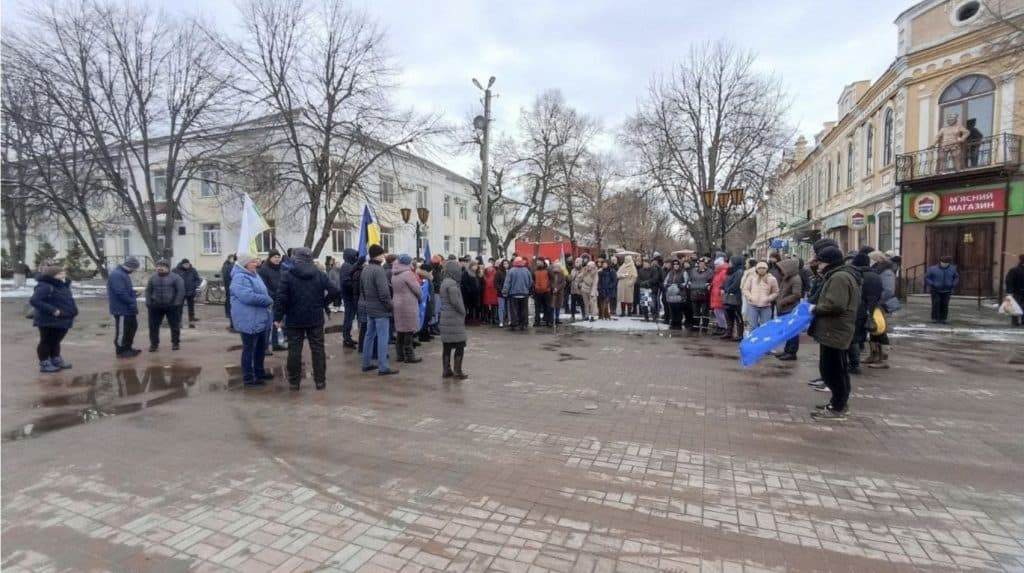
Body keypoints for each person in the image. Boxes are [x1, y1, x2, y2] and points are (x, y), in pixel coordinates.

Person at [808, 245, 861, 421]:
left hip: (835, 330)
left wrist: (814, 308)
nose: (818, 265)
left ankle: (838, 407)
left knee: (833, 370)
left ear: (829, 262)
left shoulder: (839, 277)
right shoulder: (840, 275)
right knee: (835, 369)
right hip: (835, 329)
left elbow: (835, 305)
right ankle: (837, 403)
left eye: (820, 262)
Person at [275, 247, 338, 390]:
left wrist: (278, 317)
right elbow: (335, 290)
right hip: (315, 317)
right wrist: (323, 303)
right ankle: (320, 381)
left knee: (294, 350)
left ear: (296, 259)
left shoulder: (287, 275)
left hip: (294, 318)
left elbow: (281, 298)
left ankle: (294, 382)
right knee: (318, 349)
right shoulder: (320, 274)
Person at [231, 254, 275, 386]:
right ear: (245, 264)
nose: (256, 264)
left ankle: (259, 372)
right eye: (253, 262)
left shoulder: (254, 275)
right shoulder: (240, 277)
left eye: (256, 262)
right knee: (249, 349)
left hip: (259, 318)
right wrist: (267, 300)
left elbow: (263, 291)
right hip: (248, 319)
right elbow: (247, 297)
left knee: (260, 349)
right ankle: (248, 377)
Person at [31, 262, 79, 373]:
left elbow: (68, 299)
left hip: (63, 319)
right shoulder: (45, 286)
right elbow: (35, 300)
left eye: (63, 272)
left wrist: (74, 311)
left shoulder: (62, 285)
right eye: (60, 273)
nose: (63, 275)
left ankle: (55, 359)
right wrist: (53, 310)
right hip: (48, 320)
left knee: (56, 341)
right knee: (46, 341)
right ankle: (44, 362)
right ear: (53, 276)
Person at [361, 244, 398, 376]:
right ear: (378, 255)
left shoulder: (365, 269)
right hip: (381, 310)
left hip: (370, 307)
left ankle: (366, 363)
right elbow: (384, 293)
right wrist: (390, 306)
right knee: (383, 337)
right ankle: (383, 367)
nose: (384, 256)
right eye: (382, 254)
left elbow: (362, 290)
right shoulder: (379, 270)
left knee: (369, 336)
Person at [145, 259, 185, 352]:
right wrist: (148, 302)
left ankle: (175, 343)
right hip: (155, 306)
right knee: (153, 326)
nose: (160, 268)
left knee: (175, 325)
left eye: (162, 266)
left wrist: (176, 303)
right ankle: (154, 344)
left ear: (168, 268)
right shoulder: (152, 278)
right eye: (158, 266)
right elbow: (148, 291)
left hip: (171, 306)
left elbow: (181, 291)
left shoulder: (176, 278)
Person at [866, 250, 897, 368]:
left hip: (881, 305)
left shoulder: (886, 272)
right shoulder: (876, 270)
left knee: (881, 330)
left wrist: (877, 301)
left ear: (877, 260)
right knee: (873, 329)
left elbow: (888, 291)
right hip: (874, 304)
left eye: (870, 259)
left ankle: (883, 360)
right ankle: (873, 355)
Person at [391, 254, 423, 364]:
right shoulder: (408, 273)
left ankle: (399, 354)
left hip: (397, 302)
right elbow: (417, 289)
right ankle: (409, 356)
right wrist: (420, 297)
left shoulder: (394, 273)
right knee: (409, 330)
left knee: (400, 330)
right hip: (408, 304)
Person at [440, 260, 469, 379]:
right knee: (460, 345)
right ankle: (458, 371)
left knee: (447, 346)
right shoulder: (452, 284)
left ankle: (446, 370)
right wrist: (463, 311)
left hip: (445, 318)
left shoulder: (444, 282)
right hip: (454, 319)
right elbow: (456, 302)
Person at [108, 257, 142, 357]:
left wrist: (133, 293)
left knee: (132, 327)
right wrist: (131, 301)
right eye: (135, 268)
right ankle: (121, 350)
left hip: (128, 308)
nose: (135, 270)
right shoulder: (117, 275)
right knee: (123, 330)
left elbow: (125, 290)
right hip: (121, 309)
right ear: (131, 266)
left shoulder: (123, 274)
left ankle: (128, 347)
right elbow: (120, 292)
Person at [774, 257, 804, 361]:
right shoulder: (787, 277)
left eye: (782, 268)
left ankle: (791, 352)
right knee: (787, 332)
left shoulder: (795, 279)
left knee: (792, 332)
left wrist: (782, 302)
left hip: (790, 309)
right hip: (784, 309)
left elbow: (796, 295)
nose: (781, 271)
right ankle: (787, 350)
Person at [258, 250, 287, 352]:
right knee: (268, 324)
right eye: (275, 257)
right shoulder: (264, 269)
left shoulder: (281, 268)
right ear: (270, 258)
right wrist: (273, 296)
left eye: (278, 257)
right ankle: (264, 347)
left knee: (278, 322)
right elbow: (263, 286)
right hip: (270, 300)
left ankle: (276, 344)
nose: (277, 259)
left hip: (280, 299)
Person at [743, 261, 779, 331]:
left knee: (766, 326)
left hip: (766, 306)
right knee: (752, 326)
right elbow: (745, 289)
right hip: (752, 305)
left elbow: (776, 292)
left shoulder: (772, 279)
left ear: (767, 269)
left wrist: (769, 298)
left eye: (763, 268)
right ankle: (753, 338)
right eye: (759, 268)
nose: (761, 270)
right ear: (756, 269)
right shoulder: (751, 278)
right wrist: (750, 297)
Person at [335, 248, 360, 348]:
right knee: (349, 318)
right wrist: (356, 286)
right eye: (355, 255)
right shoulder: (347, 266)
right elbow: (346, 282)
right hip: (349, 296)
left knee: (350, 318)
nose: (356, 257)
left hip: (350, 296)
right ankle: (346, 339)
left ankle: (348, 337)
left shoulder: (348, 265)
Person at [925, 255, 959, 324]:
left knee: (945, 304)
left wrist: (953, 284)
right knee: (936, 304)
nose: (945, 264)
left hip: (947, 290)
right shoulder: (932, 269)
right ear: (940, 262)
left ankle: (943, 318)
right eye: (943, 263)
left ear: (949, 263)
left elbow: (956, 277)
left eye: (946, 263)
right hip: (935, 290)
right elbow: (927, 277)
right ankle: (934, 318)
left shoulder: (952, 269)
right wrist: (932, 284)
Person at [502, 257, 533, 331]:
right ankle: (524, 324)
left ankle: (514, 324)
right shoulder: (526, 270)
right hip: (524, 293)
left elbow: (507, 283)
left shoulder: (511, 271)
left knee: (514, 310)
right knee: (524, 310)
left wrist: (505, 292)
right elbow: (530, 282)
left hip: (513, 294)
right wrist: (526, 288)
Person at [721, 256, 746, 341]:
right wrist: (723, 287)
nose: (729, 263)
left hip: (736, 297)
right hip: (728, 297)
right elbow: (725, 281)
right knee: (728, 315)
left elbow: (736, 284)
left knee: (737, 316)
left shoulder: (739, 272)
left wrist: (727, 289)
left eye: (731, 261)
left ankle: (739, 334)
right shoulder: (730, 271)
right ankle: (729, 332)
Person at [173, 259, 201, 326]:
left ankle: (191, 318)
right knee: (179, 307)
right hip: (180, 292)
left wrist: (195, 285)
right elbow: (172, 279)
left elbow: (197, 279)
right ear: (182, 264)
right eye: (185, 264)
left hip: (191, 291)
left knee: (191, 306)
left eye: (187, 264)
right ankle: (179, 320)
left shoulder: (193, 270)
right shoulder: (176, 270)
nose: (186, 265)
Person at [688, 259, 713, 332]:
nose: (701, 265)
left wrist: (705, 286)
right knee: (695, 311)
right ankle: (696, 326)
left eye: (703, 263)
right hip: (694, 294)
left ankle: (705, 326)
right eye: (700, 263)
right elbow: (690, 281)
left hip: (704, 294)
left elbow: (710, 282)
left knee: (705, 311)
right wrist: (691, 285)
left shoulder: (709, 271)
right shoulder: (693, 271)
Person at [664, 259, 688, 330]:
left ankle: (678, 323)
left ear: (679, 265)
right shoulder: (670, 273)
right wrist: (667, 286)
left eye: (677, 264)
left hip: (679, 294)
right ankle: (673, 322)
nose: (676, 266)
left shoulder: (683, 272)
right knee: (672, 309)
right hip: (671, 294)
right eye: (674, 264)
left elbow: (686, 282)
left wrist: (680, 285)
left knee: (678, 309)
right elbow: (665, 281)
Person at [709, 258, 729, 336]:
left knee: (720, 312)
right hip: (716, 294)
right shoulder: (718, 272)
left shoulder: (723, 272)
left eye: (716, 264)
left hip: (719, 294)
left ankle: (725, 327)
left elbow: (724, 283)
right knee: (717, 312)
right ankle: (721, 327)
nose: (715, 266)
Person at [532, 259, 552, 327]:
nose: (538, 264)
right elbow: (533, 280)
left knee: (547, 307)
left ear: (543, 263)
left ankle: (549, 321)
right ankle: (537, 321)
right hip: (537, 292)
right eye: (537, 263)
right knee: (537, 308)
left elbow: (552, 279)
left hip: (546, 291)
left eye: (539, 262)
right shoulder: (534, 271)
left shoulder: (548, 270)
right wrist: (534, 287)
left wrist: (549, 286)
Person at [1006, 254, 1024, 327]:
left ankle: (1016, 321)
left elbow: (1009, 281)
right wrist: (1010, 291)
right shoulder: (1014, 270)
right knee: (1015, 306)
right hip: (1017, 291)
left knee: (1015, 306)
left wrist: (1009, 291)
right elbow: (1009, 281)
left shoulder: (1014, 270)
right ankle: (1017, 321)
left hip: (1017, 291)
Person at [221, 254, 237, 331]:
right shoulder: (231, 267)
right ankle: (233, 326)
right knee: (233, 307)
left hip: (230, 289)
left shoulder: (230, 266)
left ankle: (232, 325)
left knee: (232, 307)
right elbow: (227, 278)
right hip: (232, 290)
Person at [550, 261, 567, 325]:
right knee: (552, 305)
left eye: (558, 266)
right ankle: (552, 318)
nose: (556, 268)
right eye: (555, 266)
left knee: (558, 306)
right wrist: (553, 288)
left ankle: (557, 318)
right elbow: (550, 282)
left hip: (559, 292)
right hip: (552, 292)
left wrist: (557, 288)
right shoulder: (551, 273)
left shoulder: (562, 273)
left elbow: (563, 282)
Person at [495, 259, 508, 327]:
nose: (505, 265)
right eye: (504, 264)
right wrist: (501, 290)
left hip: (508, 293)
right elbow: (496, 283)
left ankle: (506, 320)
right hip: (501, 293)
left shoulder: (510, 271)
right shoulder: (499, 272)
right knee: (501, 307)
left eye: (507, 263)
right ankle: (501, 321)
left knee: (507, 308)